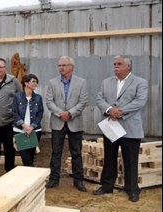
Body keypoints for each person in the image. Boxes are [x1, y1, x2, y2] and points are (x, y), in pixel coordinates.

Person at [94, 56, 148, 202]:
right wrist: (110, 109)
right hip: (111, 126)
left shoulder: (140, 82)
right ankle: (107, 186)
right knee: (109, 157)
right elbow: (100, 99)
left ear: (128, 67)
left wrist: (120, 111)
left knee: (130, 160)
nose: (116, 66)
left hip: (130, 127)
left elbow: (140, 102)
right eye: (114, 64)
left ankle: (132, 189)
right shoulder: (106, 82)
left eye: (119, 64)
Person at [45, 56, 88, 192]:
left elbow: (83, 102)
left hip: (74, 122)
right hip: (58, 122)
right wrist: (61, 114)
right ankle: (54, 179)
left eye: (64, 65)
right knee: (56, 152)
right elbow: (49, 102)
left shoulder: (81, 83)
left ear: (71, 67)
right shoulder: (52, 83)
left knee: (76, 152)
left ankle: (78, 180)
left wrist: (69, 113)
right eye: (59, 66)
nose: (61, 68)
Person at [12, 74, 44, 167]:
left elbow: (40, 113)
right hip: (19, 130)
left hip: (34, 131)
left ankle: (29, 176)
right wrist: (24, 125)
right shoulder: (17, 97)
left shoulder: (38, 98)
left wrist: (32, 127)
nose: (35, 83)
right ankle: (31, 174)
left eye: (36, 82)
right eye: (33, 81)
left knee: (31, 155)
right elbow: (14, 112)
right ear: (26, 83)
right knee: (25, 157)